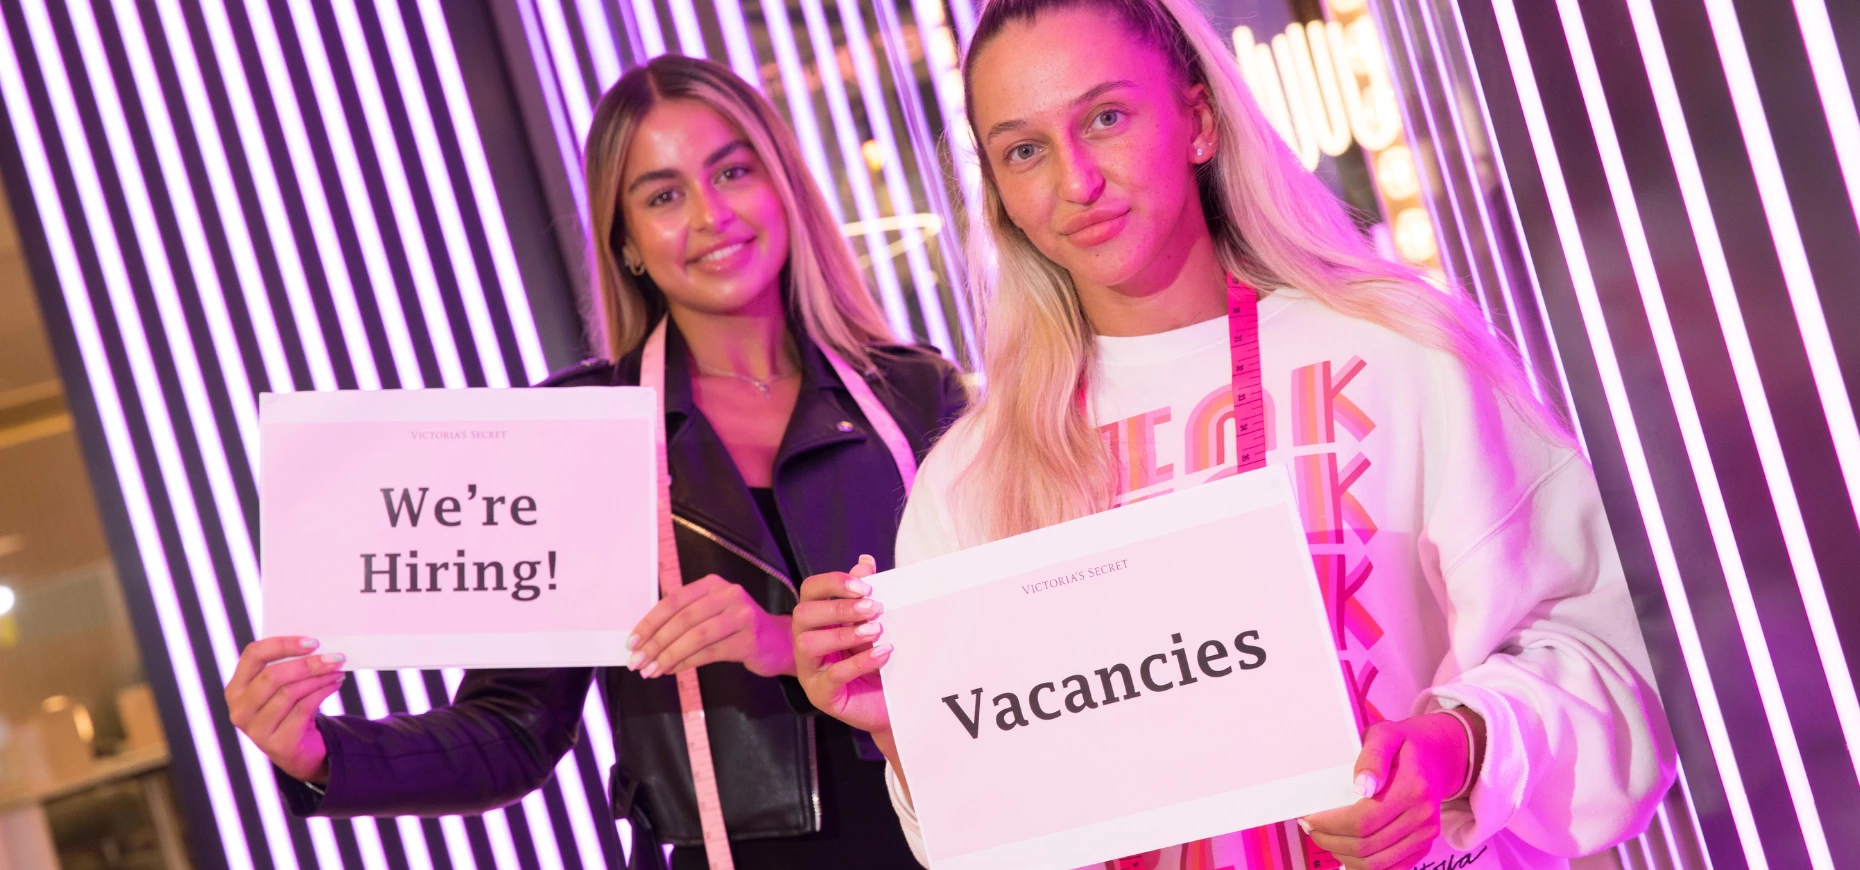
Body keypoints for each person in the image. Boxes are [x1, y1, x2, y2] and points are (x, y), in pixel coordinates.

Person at [791, 0, 1676, 868]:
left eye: (1104, 117)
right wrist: (904, 727)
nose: (1076, 182)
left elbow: (1596, 670)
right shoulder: (971, 479)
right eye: (1025, 150)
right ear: (1000, 193)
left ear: (1199, 120)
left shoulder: (1401, 353)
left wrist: (1455, 747)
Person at [225, 55, 964, 870]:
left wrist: (786, 642)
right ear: (629, 243)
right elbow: (513, 729)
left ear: (782, 184)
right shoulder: (579, 431)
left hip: (952, 836)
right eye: (663, 195)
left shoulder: (917, 394)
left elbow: (1000, 648)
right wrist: (319, 753)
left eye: (732, 171)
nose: (711, 214)